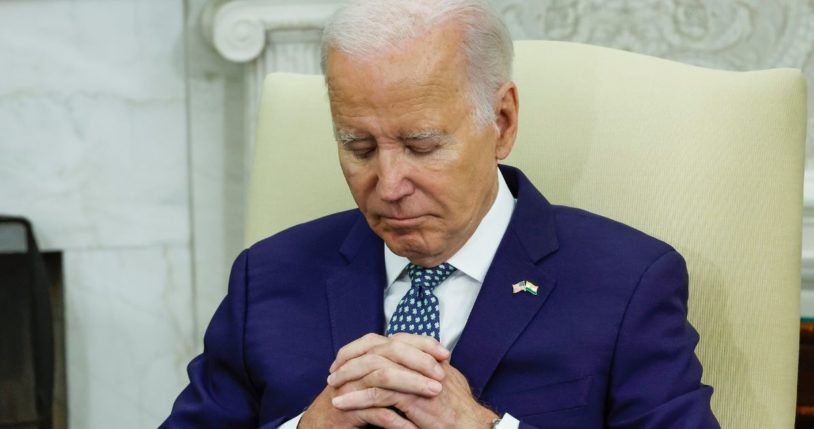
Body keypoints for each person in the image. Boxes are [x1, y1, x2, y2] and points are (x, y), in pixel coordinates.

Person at [162, 0, 719, 427]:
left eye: (422, 146)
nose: (389, 184)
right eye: (358, 147)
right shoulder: (269, 277)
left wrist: (485, 427)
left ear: (501, 122)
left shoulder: (627, 283)